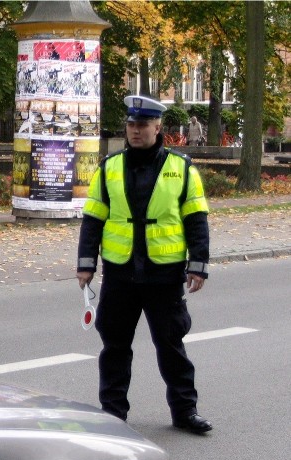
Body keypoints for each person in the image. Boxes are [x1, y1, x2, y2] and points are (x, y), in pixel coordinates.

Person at [76, 95, 212, 434]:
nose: (136, 131)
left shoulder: (181, 168)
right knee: (115, 348)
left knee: (171, 346)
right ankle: (113, 414)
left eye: (143, 125)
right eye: (131, 125)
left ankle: (184, 412)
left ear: (157, 127)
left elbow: (196, 218)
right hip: (120, 273)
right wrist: (86, 263)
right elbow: (93, 219)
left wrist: (198, 264)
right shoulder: (109, 168)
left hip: (164, 275)